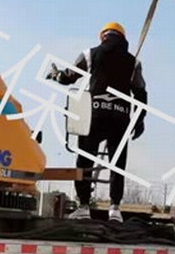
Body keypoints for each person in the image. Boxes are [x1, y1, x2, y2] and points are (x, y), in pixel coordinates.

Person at [50, 22, 147, 224]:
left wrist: (56, 75)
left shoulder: (90, 54)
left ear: (103, 36)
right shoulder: (133, 62)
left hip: (93, 116)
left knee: (85, 160)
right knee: (117, 164)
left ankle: (84, 206)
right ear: (123, 38)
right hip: (120, 118)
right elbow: (140, 92)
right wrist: (139, 121)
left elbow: (69, 77)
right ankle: (115, 209)